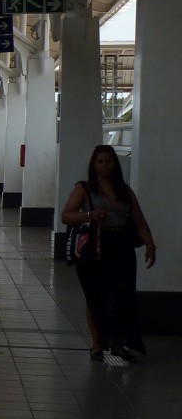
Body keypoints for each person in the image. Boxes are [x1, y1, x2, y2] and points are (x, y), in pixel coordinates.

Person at [61, 144, 156, 361]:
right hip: (93, 247)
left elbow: (139, 221)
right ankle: (97, 344)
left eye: (108, 162)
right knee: (95, 296)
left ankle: (119, 343)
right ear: (93, 165)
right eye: (100, 162)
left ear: (115, 164)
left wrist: (150, 246)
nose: (104, 166)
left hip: (120, 246)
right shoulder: (83, 188)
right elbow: (66, 216)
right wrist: (90, 215)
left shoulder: (125, 191)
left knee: (122, 295)